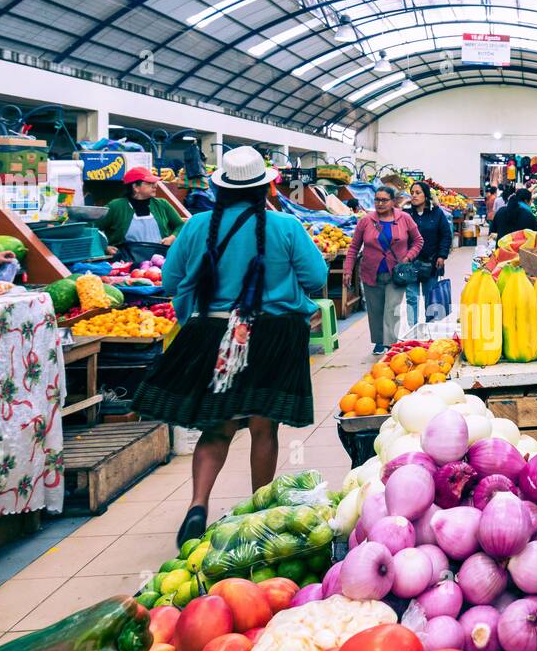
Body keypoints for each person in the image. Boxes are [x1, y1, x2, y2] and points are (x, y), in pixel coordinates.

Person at [130, 146, 328, 546]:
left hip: (214, 337)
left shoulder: (197, 225)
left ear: (221, 188)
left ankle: (198, 506)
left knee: (216, 428)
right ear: (264, 188)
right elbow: (316, 277)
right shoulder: (286, 227)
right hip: (274, 337)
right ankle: (258, 511)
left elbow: (170, 283)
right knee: (263, 426)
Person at [344, 184, 423, 355]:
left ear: (393, 201)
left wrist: (408, 257)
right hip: (371, 272)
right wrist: (348, 270)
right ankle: (379, 341)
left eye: (384, 200)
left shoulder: (404, 218)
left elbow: (418, 241)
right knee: (376, 309)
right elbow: (354, 247)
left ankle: (390, 343)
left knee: (391, 308)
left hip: (396, 273)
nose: (380, 204)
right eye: (377, 200)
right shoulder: (366, 221)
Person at [100, 167, 185, 255]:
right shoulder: (116, 206)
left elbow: (180, 225)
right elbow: (92, 229)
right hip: (126, 260)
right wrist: (105, 247)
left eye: (154, 182)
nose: (155, 185)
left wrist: (172, 238)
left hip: (159, 258)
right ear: (135, 187)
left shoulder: (162, 204)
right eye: (149, 183)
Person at [404, 180, 453, 327]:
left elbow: (446, 235)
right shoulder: (406, 214)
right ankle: (412, 330)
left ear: (426, 196)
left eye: (418, 193)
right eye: (412, 193)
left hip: (431, 263)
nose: (414, 196)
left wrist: (442, 255)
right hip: (410, 264)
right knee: (411, 298)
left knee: (430, 297)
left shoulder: (436, 213)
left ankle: (430, 328)